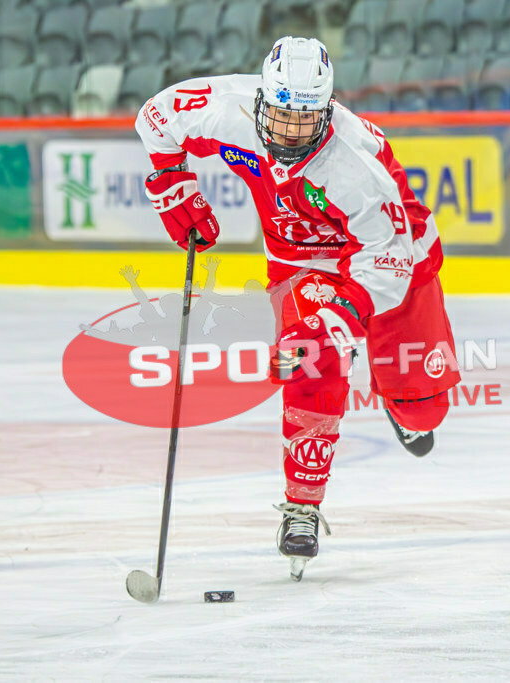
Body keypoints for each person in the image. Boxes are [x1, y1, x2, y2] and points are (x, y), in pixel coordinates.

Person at [135, 36, 461, 580]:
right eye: (282, 115)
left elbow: (389, 262)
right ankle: (303, 506)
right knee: (312, 359)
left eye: (305, 120)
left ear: (327, 112)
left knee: (423, 410)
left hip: (390, 260)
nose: (289, 132)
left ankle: (398, 396)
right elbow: (155, 117)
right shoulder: (226, 107)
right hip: (299, 263)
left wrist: (343, 314)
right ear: (263, 100)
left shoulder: (354, 165)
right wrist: (173, 184)